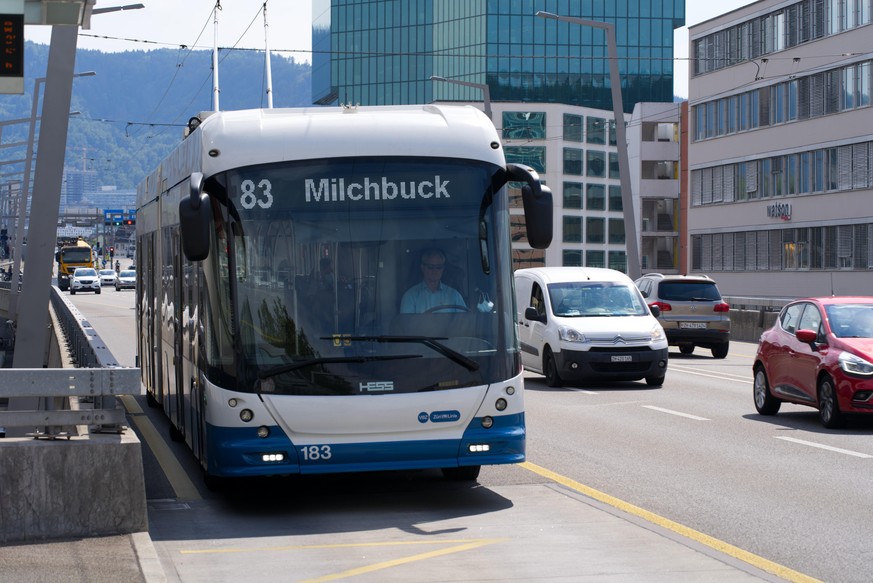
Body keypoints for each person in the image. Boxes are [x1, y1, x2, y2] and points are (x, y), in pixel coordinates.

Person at [400, 248, 466, 313]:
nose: (435, 271)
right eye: (430, 267)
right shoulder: (410, 297)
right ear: (422, 268)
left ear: (443, 269)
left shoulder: (454, 295)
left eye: (438, 267)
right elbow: (406, 323)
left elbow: (464, 321)